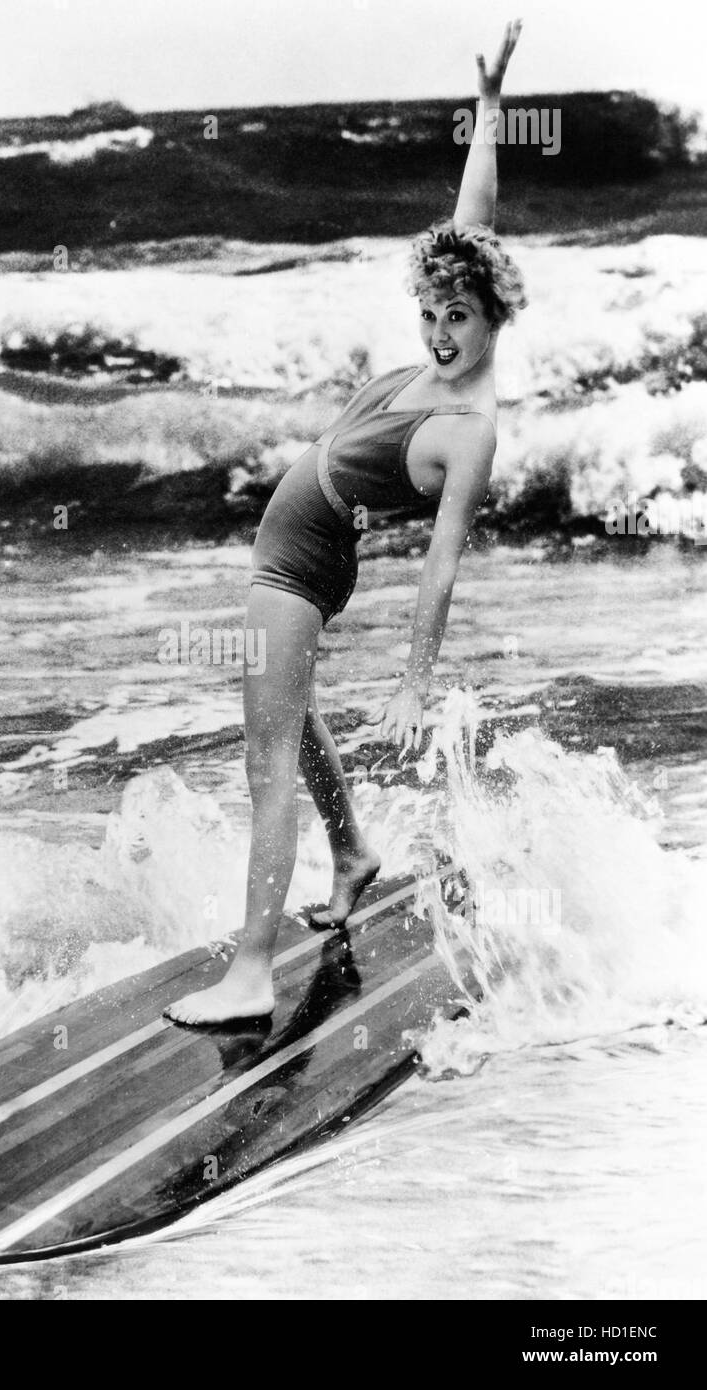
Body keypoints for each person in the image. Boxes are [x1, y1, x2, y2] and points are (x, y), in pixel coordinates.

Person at [165, 20, 527, 1025]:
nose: (441, 332)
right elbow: (476, 216)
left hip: (302, 563)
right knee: (291, 712)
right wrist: (492, 110)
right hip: (301, 550)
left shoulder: (469, 426)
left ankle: (249, 973)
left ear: (495, 317)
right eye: (432, 315)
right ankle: (357, 850)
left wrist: (415, 682)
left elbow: (444, 567)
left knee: (265, 756)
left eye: (459, 317)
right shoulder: (459, 345)